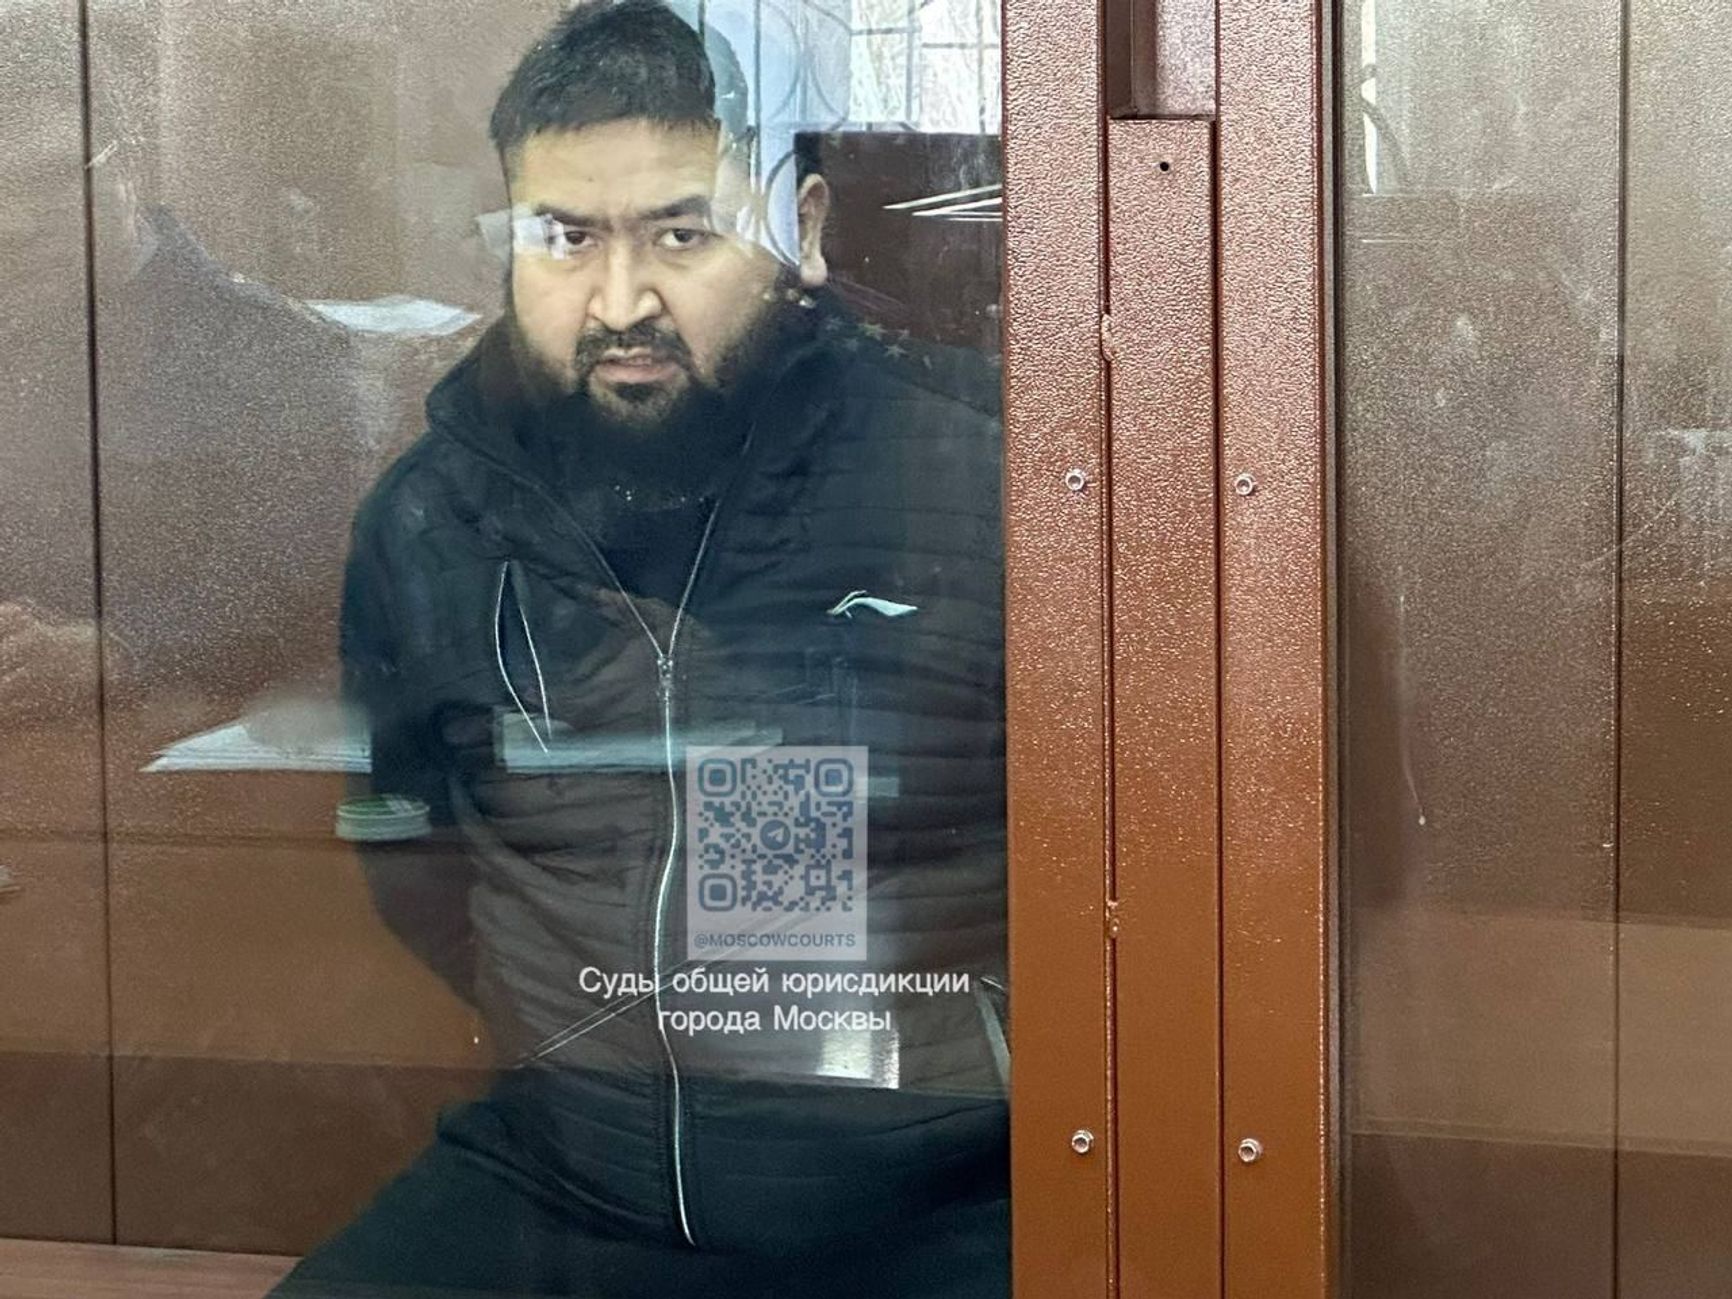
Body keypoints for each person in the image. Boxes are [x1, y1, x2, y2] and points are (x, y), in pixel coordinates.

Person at [274, 2, 1007, 1294]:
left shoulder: (984, 480)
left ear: (803, 231)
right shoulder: (435, 517)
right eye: (566, 238)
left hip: (939, 1203)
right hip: (565, 1175)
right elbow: (416, 863)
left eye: (682, 232)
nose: (621, 303)